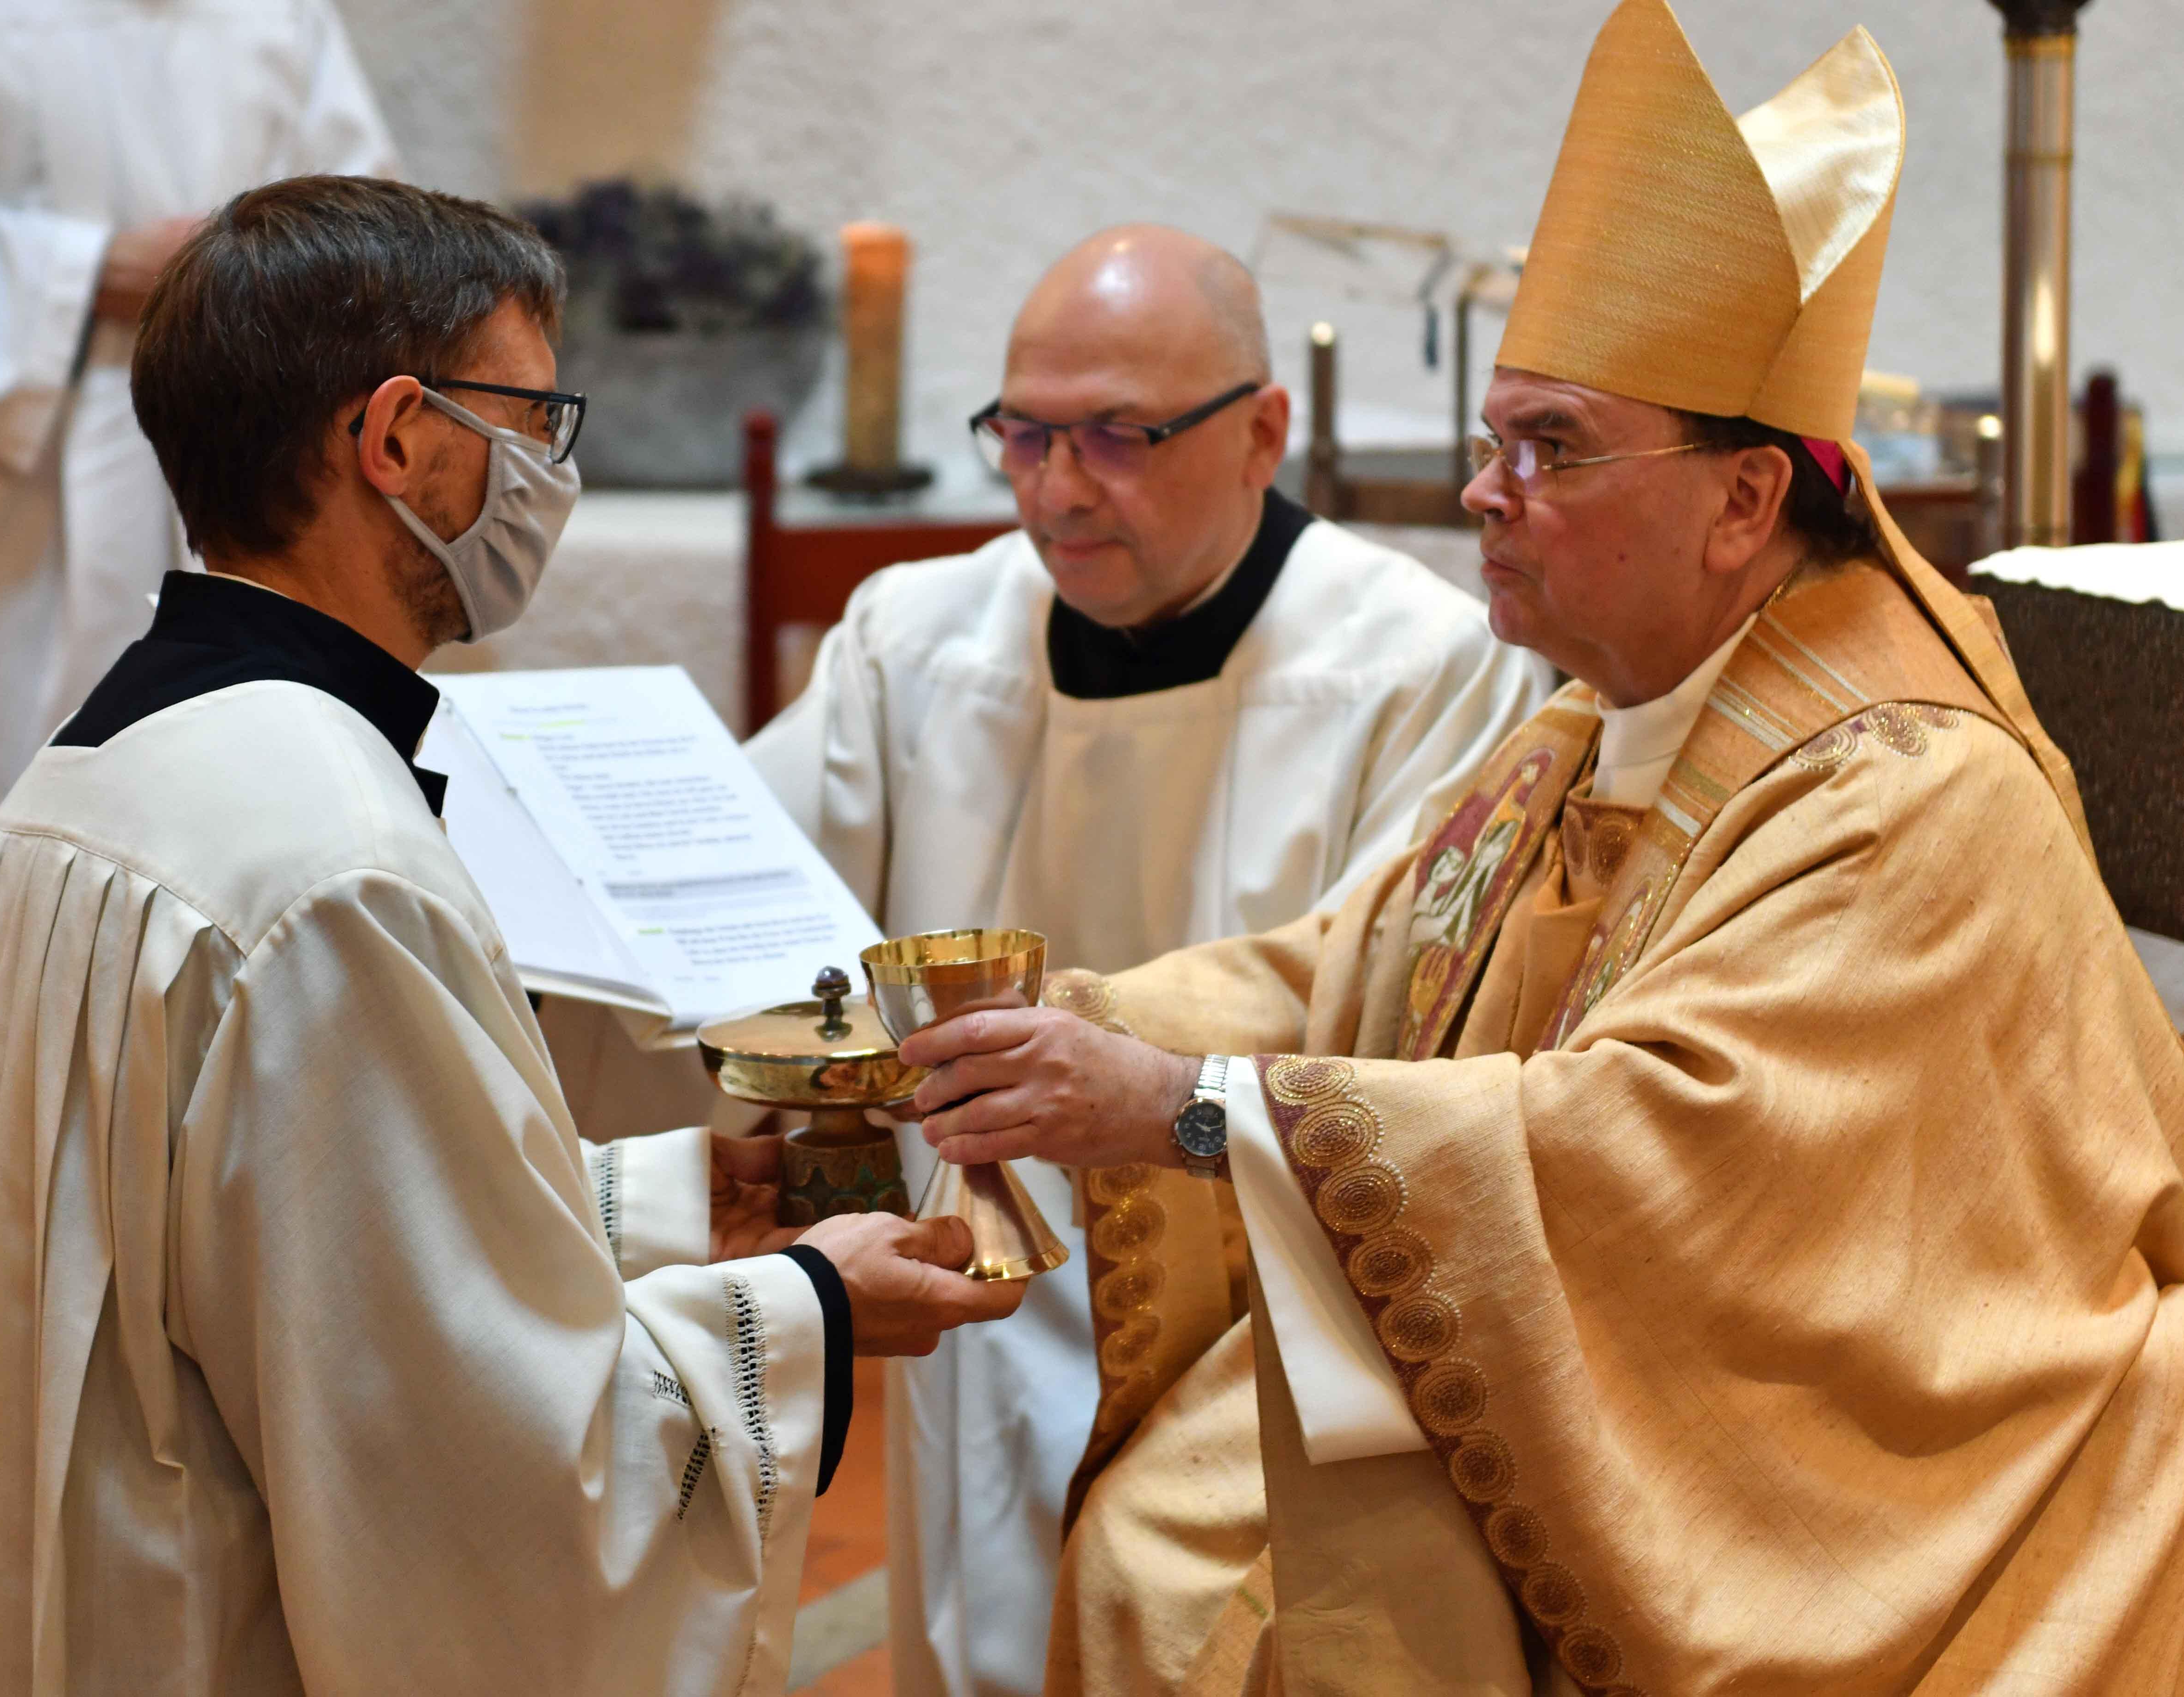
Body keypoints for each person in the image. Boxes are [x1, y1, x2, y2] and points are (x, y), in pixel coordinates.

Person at [899, 6, 2184, 1693]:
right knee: (1173, 1544)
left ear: (1744, 501)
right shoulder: (1588, 723)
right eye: (1489, 442)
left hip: (1857, 1461)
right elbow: (1349, 968)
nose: (1483, 494)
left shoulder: (1904, 790)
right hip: (1600, 1366)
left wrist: (1184, 1109)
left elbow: (1660, 1156)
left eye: (1551, 448)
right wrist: (1071, 1030)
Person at [0, 176, 1021, 1697]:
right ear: (395, 440)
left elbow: (283, 1245)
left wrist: (659, 1204)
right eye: (530, 420)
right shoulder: (332, 861)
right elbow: (473, 1468)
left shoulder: (90, 772)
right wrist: (816, 1310)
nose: (547, 475)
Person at [749, 224, 1546, 1697]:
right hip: (971, 1294)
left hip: (1253, 1327)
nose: (1057, 489)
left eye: (1118, 436)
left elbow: (1397, 1026)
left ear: (1261, 433)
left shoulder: (1425, 667)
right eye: (1024, 435)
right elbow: (743, 905)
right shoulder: (919, 637)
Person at [0, 0, 397, 1032]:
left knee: (236, 859)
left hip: (248, 447)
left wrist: (247, 279)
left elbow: (369, 227)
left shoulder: (281, 14)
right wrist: (90, 270)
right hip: (8, 513)